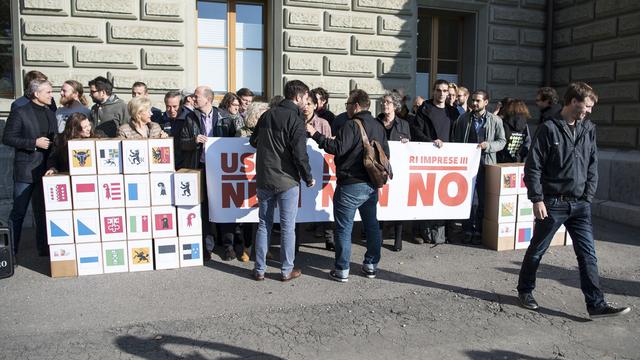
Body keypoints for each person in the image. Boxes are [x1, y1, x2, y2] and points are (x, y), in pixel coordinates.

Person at [517, 82, 631, 319]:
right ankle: (525, 291)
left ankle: (596, 304)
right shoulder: (549, 128)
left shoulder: (588, 128)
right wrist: (537, 199)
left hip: (580, 205)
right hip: (553, 203)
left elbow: (592, 164)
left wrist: (588, 196)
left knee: (588, 255)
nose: (589, 111)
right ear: (573, 101)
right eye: (587, 106)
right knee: (538, 250)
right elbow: (533, 167)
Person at [307, 89, 389, 283]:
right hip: (371, 184)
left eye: (347, 104)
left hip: (351, 183)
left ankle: (342, 269)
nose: (346, 108)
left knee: (344, 228)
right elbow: (386, 153)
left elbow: (336, 148)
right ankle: (371, 265)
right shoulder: (378, 125)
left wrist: (315, 134)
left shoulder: (351, 125)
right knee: (371, 226)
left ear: (356, 105)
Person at [250, 80, 314, 282]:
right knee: (287, 227)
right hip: (287, 180)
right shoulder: (296, 121)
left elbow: (253, 141)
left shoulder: (267, 115)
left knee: (264, 224)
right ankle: (286, 270)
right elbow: (300, 154)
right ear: (298, 97)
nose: (306, 102)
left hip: (264, 177)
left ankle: (259, 269)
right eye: (305, 98)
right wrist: (308, 177)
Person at [2, 79, 57, 257]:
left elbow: (54, 140)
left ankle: (44, 250)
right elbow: (8, 138)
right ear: (36, 94)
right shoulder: (20, 112)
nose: (51, 95)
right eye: (48, 92)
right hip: (26, 170)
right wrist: (34, 143)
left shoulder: (50, 113)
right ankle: (10, 253)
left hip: (45, 170)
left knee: (43, 212)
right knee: (19, 212)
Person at [452, 90, 506, 244]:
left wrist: (487, 145)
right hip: (467, 164)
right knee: (466, 198)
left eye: (478, 101)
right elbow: (456, 140)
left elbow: (502, 142)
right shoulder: (463, 119)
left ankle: (479, 230)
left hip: (486, 163)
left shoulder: (495, 120)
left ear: (486, 102)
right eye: (473, 100)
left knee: (483, 199)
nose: (474, 103)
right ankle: (467, 229)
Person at [410, 79, 459, 245]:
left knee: (444, 196)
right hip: (427, 158)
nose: (442, 93)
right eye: (438, 90)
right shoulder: (425, 108)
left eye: (445, 91)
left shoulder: (453, 112)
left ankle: (441, 232)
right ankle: (419, 230)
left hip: (447, 161)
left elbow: (456, 135)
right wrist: (431, 141)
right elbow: (416, 131)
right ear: (433, 91)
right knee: (424, 196)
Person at [377, 90, 410, 252]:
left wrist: (406, 142)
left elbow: (410, 147)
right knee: (379, 201)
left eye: (388, 102)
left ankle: (398, 238)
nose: (385, 105)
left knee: (398, 201)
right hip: (379, 167)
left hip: (398, 169)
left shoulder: (404, 125)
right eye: (383, 102)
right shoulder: (376, 122)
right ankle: (379, 236)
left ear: (395, 106)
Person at [303, 92, 334, 250]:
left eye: (309, 104)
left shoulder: (323, 123)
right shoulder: (296, 121)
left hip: (320, 167)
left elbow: (328, 146)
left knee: (323, 201)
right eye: (305, 103)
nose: (306, 107)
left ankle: (329, 237)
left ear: (316, 105)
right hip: (302, 168)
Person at [496, 99, 531, 163]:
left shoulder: (502, 123)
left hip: (501, 161)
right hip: (518, 161)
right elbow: (527, 144)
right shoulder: (525, 126)